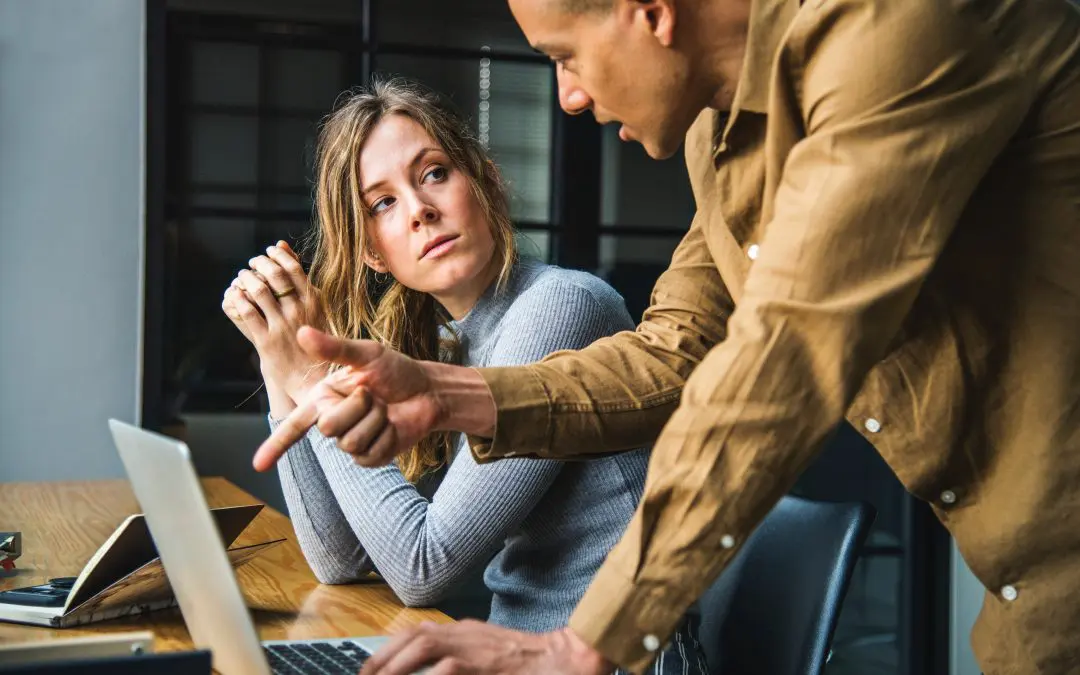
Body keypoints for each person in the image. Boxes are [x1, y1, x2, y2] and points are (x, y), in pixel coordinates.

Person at [258, 0, 1080, 673]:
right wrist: (441, 394)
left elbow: (784, 356)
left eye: (564, 56)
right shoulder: (718, 137)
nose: (569, 98)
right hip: (1027, 589)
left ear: (647, 12)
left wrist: (586, 643)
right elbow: (672, 354)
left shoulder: (894, 29)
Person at [222, 79, 713, 674]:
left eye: (433, 174)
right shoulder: (451, 343)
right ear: (374, 252)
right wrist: (282, 362)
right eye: (383, 203)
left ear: (485, 181)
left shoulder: (562, 306)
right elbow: (340, 560)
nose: (420, 211)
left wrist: (314, 376)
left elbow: (421, 567)